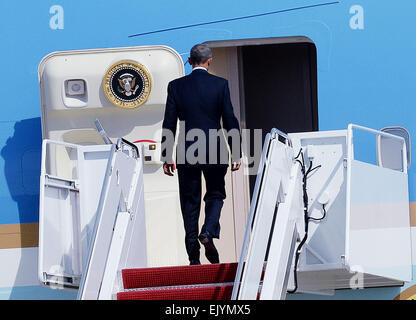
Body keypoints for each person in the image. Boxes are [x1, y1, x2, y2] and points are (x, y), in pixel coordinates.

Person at [161, 43, 242, 265]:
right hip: (215, 148)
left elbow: (169, 122)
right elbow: (229, 120)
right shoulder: (220, 85)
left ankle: (193, 257)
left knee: (189, 202)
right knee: (215, 194)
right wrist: (236, 153)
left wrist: (166, 154)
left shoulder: (175, 86)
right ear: (209, 61)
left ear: (189, 61)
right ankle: (207, 231)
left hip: (186, 150)